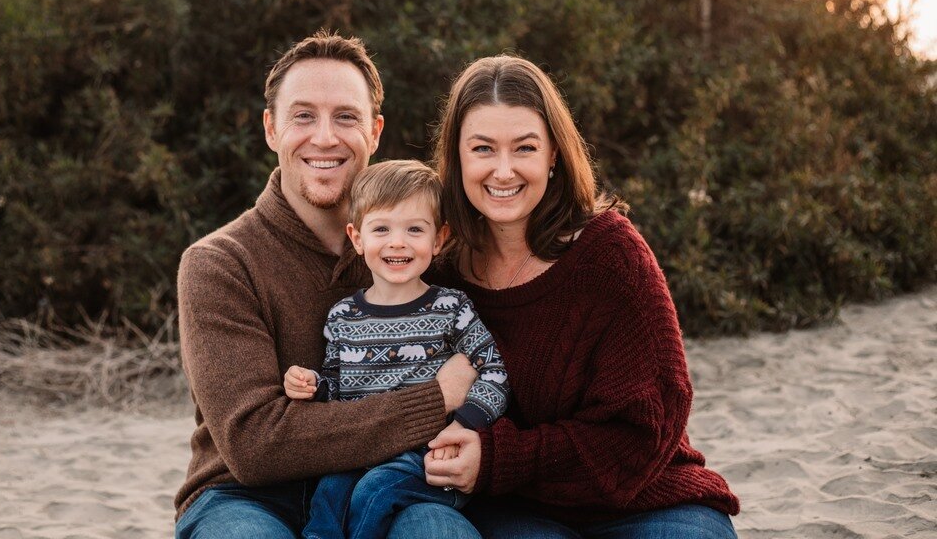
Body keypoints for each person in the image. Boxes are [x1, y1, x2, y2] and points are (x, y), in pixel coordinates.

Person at [174, 31, 481, 539]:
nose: (324, 137)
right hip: (246, 497)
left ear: (375, 131)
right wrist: (434, 400)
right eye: (303, 116)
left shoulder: (416, 248)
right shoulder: (219, 264)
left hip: (392, 481)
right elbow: (256, 445)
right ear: (271, 129)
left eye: (345, 117)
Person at [423, 55, 741, 538]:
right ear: (457, 158)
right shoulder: (439, 271)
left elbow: (647, 427)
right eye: (483, 148)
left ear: (553, 154)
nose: (503, 170)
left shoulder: (610, 254)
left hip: (647, 497)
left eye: (524, 148)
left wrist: (500, 459)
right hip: (519, 509)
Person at [283, 160, 509, 539]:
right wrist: (313, 384)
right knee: (327, 495)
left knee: (376, 489)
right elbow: (338, 388)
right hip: (359, 449)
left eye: (414, 229)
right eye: (382, 228)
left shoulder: (451, 308)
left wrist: (466, 423)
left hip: (427, 457)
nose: (397, 242)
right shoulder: (343, 316)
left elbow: (495, 371)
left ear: (438, 239)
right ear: (357, 238)